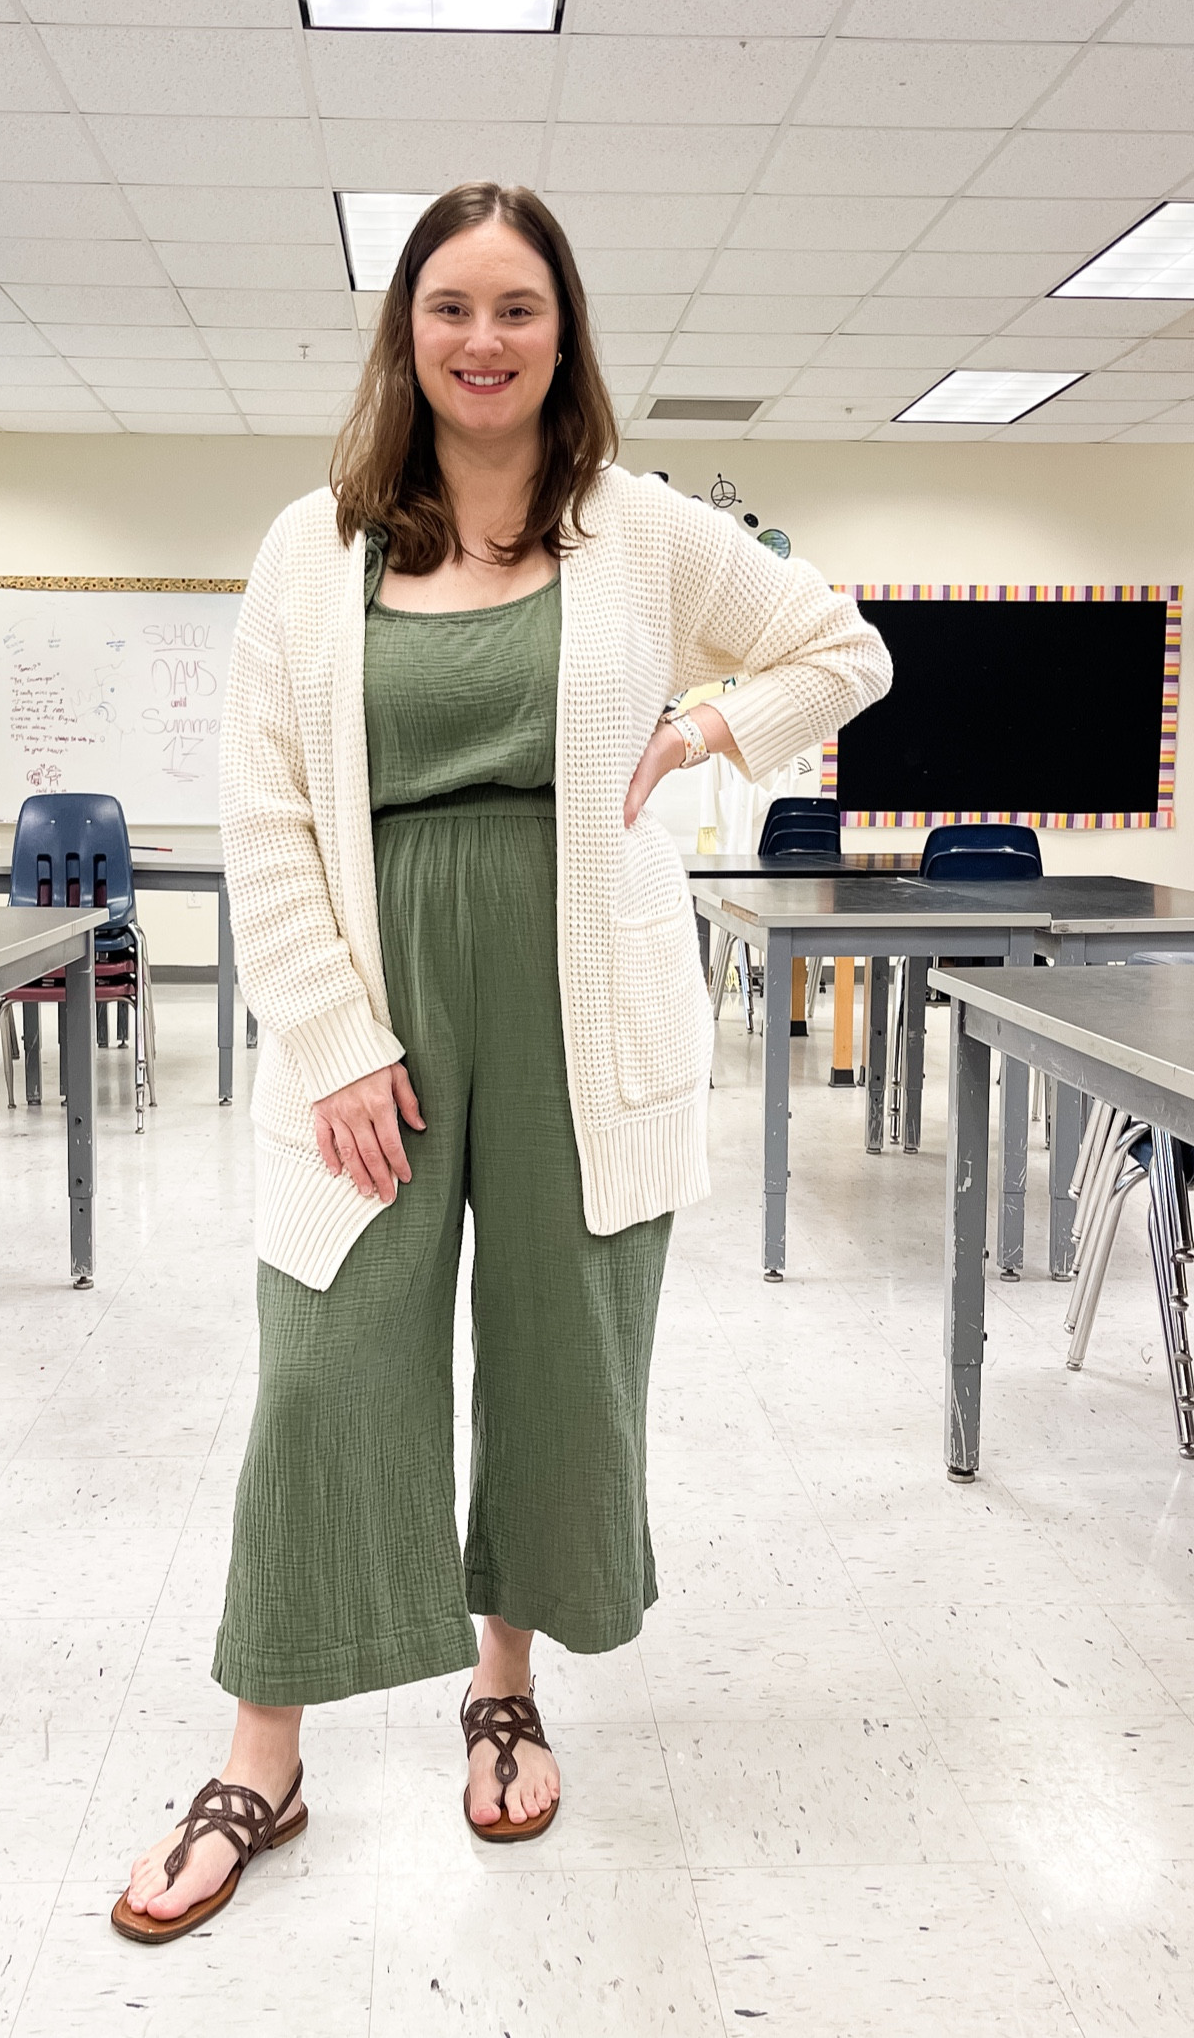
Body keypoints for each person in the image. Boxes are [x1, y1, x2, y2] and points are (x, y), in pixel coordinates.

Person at [115, 182, 891, 1942]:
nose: (483, 339)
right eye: (450, 305)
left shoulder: (638, 530)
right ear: (405, 330)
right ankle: (265, 1754)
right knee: (321, 1370)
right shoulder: (306, 548)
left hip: (587, 1012)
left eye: (518, 308)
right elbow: (262, 812)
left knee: (558, 1366)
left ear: (563, 335)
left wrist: (714, 722)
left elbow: (843, 648)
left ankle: (505, 1682)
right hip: (371, 1018)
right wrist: (327, 1036)